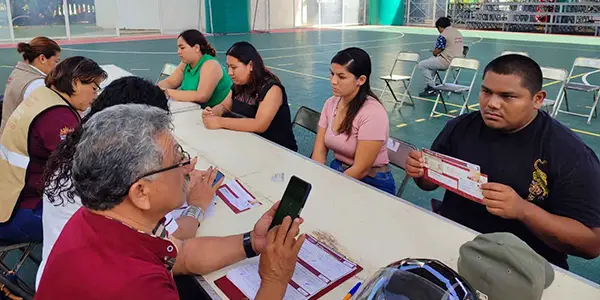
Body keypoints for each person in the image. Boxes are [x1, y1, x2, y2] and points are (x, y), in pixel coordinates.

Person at [36, 104, 306, 300]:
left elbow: (181, 255)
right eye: (177, 160)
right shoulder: (137, 287)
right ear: (141, 192)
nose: (187, 166)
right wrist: (274, 279)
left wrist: (252, 242)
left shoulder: (96, 218)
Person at [405, 54, 600, 269]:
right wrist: (421, 172)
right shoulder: (460, 128)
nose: (492, 104)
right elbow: (429, 184)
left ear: (538, 99)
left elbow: (591, 244)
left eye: (508, 96)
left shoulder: (569, 153)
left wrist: (524, 210)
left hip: (524, 268)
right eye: (486, 92)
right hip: (457, 249)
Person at [36, 76, 222, 288]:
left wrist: (170, 174)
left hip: (62, 274)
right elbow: (174, 242)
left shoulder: (84, 154)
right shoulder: (109, 179)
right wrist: (196, 205)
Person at [0, 56, 106, 243]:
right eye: (94, 88)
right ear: (76, 83)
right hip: (22, 210)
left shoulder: (43, 96)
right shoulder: (58, 116)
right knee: (101, 224)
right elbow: (81, 167)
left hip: (9, 199)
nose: (96, 95)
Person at [312, 47, 395, 195]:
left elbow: (361, 169)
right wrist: (317, 177)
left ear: (361, 80)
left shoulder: (372, 113)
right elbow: (319, 151)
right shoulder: (330, 104)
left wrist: (328, 188)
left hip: (371, 182)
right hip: (338, 169)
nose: (333, 81)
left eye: (341, 77)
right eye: (332, 74)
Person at [202, 41, 298, 151]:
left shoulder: (272, 89)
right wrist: (213, 113)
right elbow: (224, 106)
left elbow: (259, 125)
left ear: (251, 65)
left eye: (234, 67)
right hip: (249, 143)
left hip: (277, 149)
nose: (229, 72)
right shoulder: (239, 85)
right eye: (228, 67)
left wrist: (219, 122)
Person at [1, 37, 61, 135]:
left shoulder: (19, 72)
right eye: (56, 61)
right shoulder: (37, 84)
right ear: (42, 58)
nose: (57, 66)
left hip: (8, 138)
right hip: (19, 144)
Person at [158, 29, 233, 108]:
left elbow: (202, 96)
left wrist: (165, 92)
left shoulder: (210, 64)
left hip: (217, 113)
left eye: (182, 48)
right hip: (195, 110)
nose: (178, 52)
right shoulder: (185, 63)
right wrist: (153, 90)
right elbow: (170, 83)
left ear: (197, 48)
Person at [417, 17, 464, 97]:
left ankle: (432, 87)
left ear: (440, 27)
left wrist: (434, 51)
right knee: (431, 62)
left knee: (422, 65)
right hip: (458, 61)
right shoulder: (458, 33)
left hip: (447, 61)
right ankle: (434, 84)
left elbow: (436, 52)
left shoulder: (443, 35)